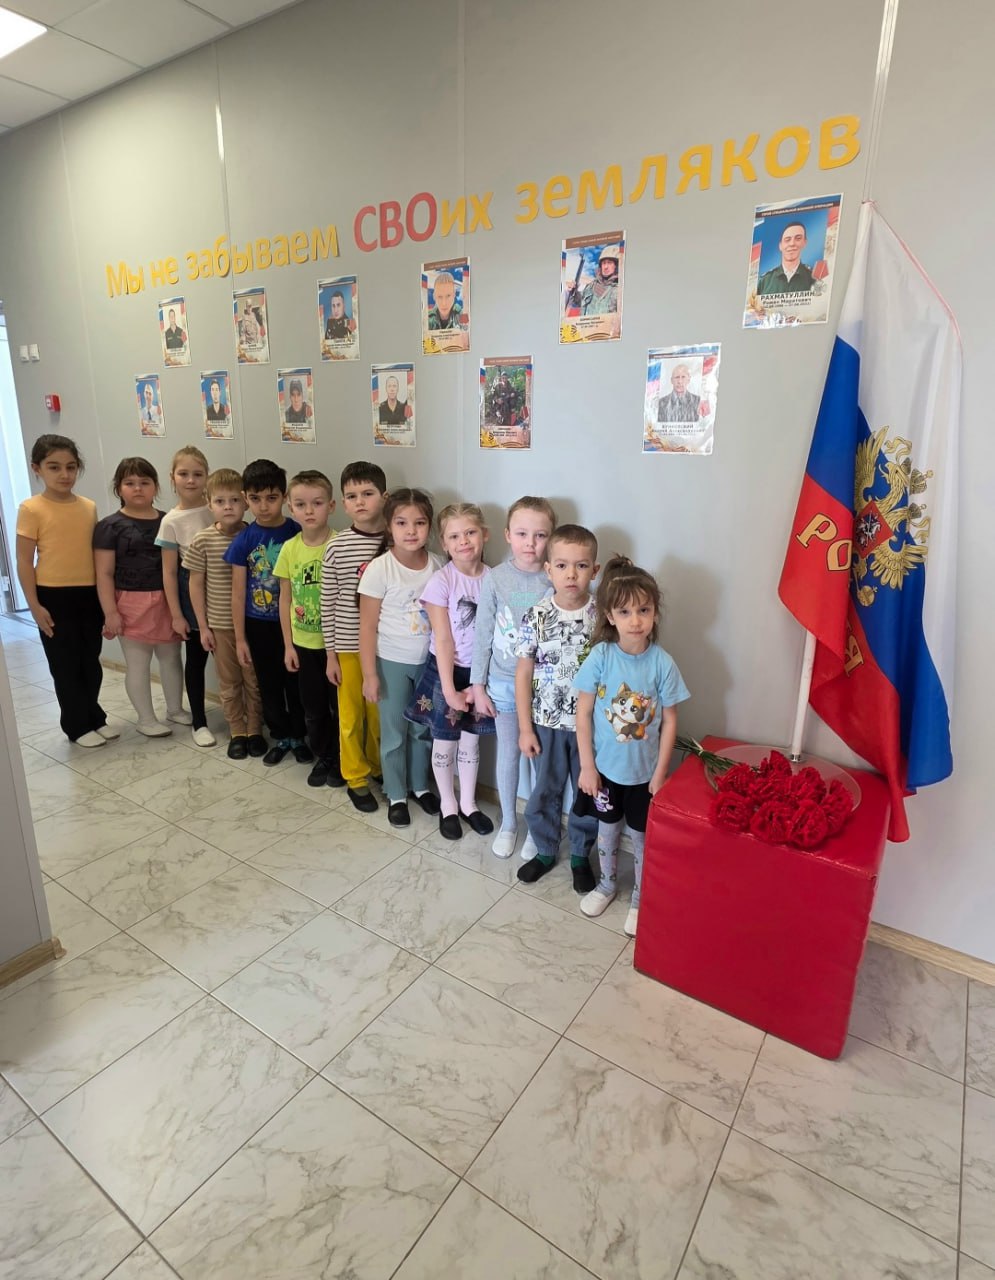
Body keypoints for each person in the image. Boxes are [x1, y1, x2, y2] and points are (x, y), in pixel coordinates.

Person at [574, 556, 690, 937]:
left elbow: (670, 721)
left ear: (655, 612)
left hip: (645, 777)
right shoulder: (601, 657)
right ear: (610, 616)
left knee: (641, 837)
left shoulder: (662, 663)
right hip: (605, 773)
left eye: (644, 610)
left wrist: (661, 773)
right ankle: (607, 884)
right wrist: (587, 767)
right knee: (607, 831)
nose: (635, 620)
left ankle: (641, 897)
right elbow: (583, 714)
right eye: (625, 612)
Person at [515, 525, 600, 888]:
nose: (571, 574)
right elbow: (523, 673)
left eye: (581, 566)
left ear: (594, 570)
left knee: (587, 792)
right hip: (546, 723)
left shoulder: (603, 618)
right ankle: (546, 850)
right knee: (545, 790)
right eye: (562, 566)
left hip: (589, 728)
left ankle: (580, 855)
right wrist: (525, 728)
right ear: (548, 569)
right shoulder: (536, 615)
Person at [471, 496, 556, 858]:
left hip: (543, 688)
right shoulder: (496, 578)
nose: (530, 543)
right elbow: (483, 633)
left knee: (539, 759)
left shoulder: (555, 577)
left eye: (540, 535)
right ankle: (509, 823)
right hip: (504, 685)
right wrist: (478, 685)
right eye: (522, 534)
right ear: (507, 535)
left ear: (550, 537)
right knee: (509, 755)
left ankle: (537, 827)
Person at [405, 503, 495, 840]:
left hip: (480, 675)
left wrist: (478, 685)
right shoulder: (441, 582)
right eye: (454, 536)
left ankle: (469, 803)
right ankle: (448, 805)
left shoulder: (494, 579)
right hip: (446, 673)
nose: (464, 541)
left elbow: (500, 633)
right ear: (444, 543)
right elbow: (443, 639)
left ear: (484, 535)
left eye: (470, 532)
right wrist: (449, 690)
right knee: (445, 744)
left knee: (472, 742)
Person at [15, 434, 112, 749]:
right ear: (37, 468)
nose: (64, 474)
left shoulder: (88, 507)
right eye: (54, 467)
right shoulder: (31, 508)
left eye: (71, 467)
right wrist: (34, 605)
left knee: (90, 663)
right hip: (53, 596)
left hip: (88, 595)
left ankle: (94, 717)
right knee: (65, 665)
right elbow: (24, 561)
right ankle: (76, 725)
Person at [358, 489, 442, 827]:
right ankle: (395, 793)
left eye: (419, 523)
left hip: (428, 665)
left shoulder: (438, 564)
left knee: (421, 729)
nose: (411, 531)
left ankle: (419, 786)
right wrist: (369, 675)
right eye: (402, 523)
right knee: (394, 732)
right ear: (389, 526)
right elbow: (367, 627)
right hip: (391, 664)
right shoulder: (380, 569)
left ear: (429, 526)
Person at [225, 459, 311, 768]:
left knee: (296, 684)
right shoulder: (244, 540)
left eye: (271, 498)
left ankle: (299, 736)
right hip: (258, 625)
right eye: (255, 498)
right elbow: (237, 593)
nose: (263, 506)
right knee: (269, 685)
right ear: (245, 498)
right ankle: (281, 735)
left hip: (296, 623)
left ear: (284, 498)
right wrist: (240, 639)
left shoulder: (297, 532)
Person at [93, 457, 187, 737]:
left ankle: (175, 709)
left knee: (171, 657)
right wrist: (110, 612)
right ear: (118, 488)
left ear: (155, 486)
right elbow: (104, 574)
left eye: (144, 482)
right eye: (129, 483)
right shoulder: (109, 526)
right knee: (138, 663)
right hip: (130, 603)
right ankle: (146, 719)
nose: (137, 488)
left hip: (168, 600)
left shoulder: (167, 520)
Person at [320, 461, 388, 813]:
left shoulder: (396, 540)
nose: (360, 501)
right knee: (350, 716)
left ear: (384, 497)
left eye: (367, 493)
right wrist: (330, 655)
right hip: (347, 648)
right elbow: (327, 603)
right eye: (351, 496)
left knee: (379, 716)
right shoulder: (337, 546)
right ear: (343, 504)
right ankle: (355, 777)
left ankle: (378, 768)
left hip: (385, 649)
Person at [186, 469, 265, 760]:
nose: (228, 506)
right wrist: (203, 626)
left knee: (253, 680)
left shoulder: (254, 536)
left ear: (245, 502)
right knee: (230, 682)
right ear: (210, 504)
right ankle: (237, 731)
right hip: (220, 625)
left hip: (253, 622)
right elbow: (195, 584)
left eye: (234, 500)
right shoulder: (203, 540)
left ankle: (255, 729)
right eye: (220, 501)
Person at [274, 471, 342, 787]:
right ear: (291, 508)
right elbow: (285, 599)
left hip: (337, 646)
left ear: (331, 505)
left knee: (340, 707)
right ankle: (323, 756)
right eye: (301, 504)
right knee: (313, 709)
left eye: (317, 503)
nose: (309, 510)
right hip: (303, 644)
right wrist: (288, 646)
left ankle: (341, 758)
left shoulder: (340, 545)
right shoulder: (290, 549)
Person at [156, 446, 215, 747]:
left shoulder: (216, 507)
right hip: (192, 594)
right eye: (183, 474)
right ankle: (199, 722)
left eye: (197, 474)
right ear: (172, 478)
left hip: (223, 590)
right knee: (195, 659)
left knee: (231, 659)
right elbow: (169, 572)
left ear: (207, 477)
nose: (191, 480)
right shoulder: (171, 521)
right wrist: (177, 614)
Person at [757, 220, 816, 295]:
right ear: (780, 246)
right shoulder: (764, 281)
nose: (792, 243)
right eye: (787, 240)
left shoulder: (814, 278)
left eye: (798, 238)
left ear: (805, 243)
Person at [566, 244, 620, 315]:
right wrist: (574, 292)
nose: (606, 267)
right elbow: (579, 301)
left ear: (616, 266)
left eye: (609, 263)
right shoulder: (591, 286)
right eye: (604, 263)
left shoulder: (619, 290)